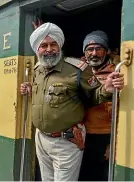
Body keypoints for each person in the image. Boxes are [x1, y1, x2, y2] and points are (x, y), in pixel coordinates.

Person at [20, 22, 124, 181]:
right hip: (41, 138)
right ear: (37, 49)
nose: (49, 49)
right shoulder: (37, 70)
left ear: (60, 46)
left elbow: (93, 96)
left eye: (53, 44)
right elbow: (46, 96)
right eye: (44, 45)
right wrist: (30, 90)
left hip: (66, 141)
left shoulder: (78, 70)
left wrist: (107, 89)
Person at [79, 30, 119, 181]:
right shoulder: (79, 73)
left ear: (106, 51)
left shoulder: (117, 73)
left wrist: (114, 143)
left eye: (98, 48)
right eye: (90, 49)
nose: (94, 53)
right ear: (85, 52)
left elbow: (122, 111)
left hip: (106, 139)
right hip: (82, 137)